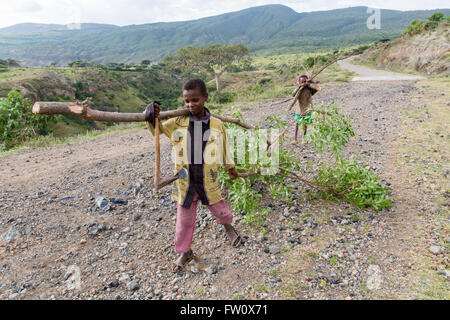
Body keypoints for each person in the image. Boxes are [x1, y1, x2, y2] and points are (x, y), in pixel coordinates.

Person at [144, 78, 242, 272]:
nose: (190, 105)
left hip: (208, 180)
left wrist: (230, 168)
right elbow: (158, 129)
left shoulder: (216, 124)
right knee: (184, 220)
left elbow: (224, 149)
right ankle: (185, 251)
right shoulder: (177, 122)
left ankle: (228, 227)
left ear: (205, 98)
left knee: (220, 209)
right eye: (187, 101)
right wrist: (151, 116)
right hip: (185, 181)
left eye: (195, 100)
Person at [291, 74, 321, 144]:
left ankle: (304, 138)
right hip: (299, 110)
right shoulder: (298, 90)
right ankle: (295, 139)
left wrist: (311, 82)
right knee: (297, 124)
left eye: (305, 82)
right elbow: (293, 94)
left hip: (308, 110)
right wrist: (299, 87)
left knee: (305, 124)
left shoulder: (310, 89)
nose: (304, 83)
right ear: (299, 82)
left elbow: (318, 88)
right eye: (302, 82)